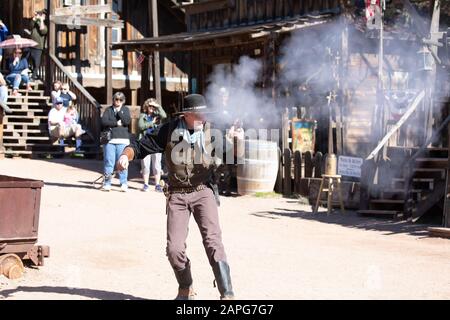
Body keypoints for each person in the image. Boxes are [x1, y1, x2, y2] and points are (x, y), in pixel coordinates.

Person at [117, 94, 235, 300]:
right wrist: (124, 156)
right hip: (177, 194)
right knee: (174, 249)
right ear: (187, 115)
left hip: (203, 191)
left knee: (213, 242)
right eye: (199, 114)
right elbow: (139, 146)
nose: (204, 117)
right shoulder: (169, 130)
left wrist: (236, 144)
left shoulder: (213, 132)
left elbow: (231, 156)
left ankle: (227, 294)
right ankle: (186, 287)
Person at [101, 92, 131, 192]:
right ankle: (107, 183)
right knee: (109, 163)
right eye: (116, 99)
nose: (118, 101)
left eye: (120, 100)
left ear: (123, 101)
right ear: (113, 100)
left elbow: (127, 122)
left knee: (122, 163)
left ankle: (123, 183)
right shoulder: (108, 110)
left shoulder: (125, 110)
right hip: (110, 140)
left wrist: (119, 112)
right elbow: (104, 122)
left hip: (123, 140)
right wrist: (116, 123)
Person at [138, 98, 167, 192]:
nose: (151, 108)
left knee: (157, 165)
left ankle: (157, 185)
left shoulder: (158, 116)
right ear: (146, 106)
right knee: (145, 165)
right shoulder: (142, 115)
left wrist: (158, 106)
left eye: (153, 106)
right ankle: (146, 184)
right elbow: (140, 126)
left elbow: (164, 115)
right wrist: (152, 123)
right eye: (150, 106)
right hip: (146, 142)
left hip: (156, 142)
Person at [28, 9, 48, 81]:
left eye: (44, 14)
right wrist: (34, 19)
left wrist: (41, 20)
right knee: (27, 59)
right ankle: (28, 74)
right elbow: (30, 27)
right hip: (30, 44)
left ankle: (33, 77)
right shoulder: (36, 22)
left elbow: (43, 31)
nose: (42, 15)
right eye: (42, 14)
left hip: (38, 46)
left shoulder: (45, 25)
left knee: (36, 63)